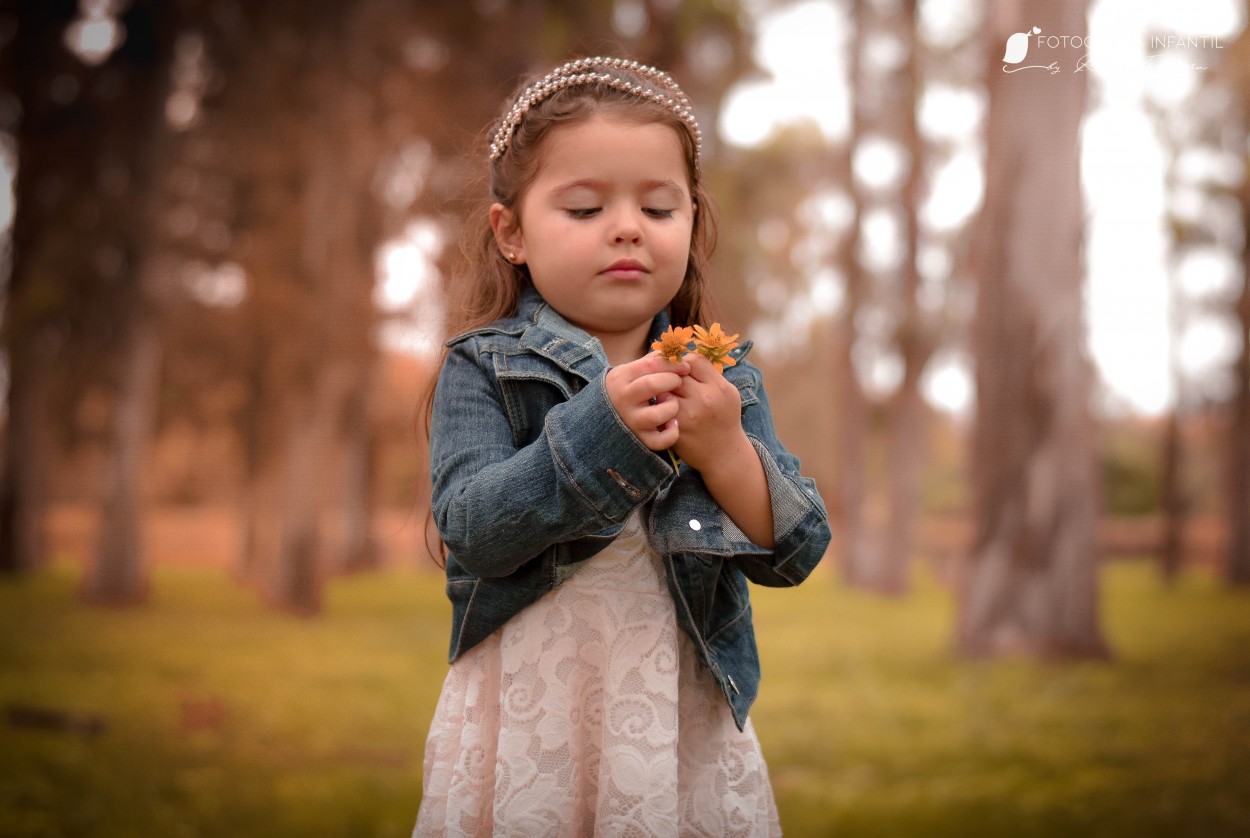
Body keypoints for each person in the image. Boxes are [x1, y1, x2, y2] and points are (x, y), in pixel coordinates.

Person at [414, 56, 831, 837]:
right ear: (512, 233)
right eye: (584, 208)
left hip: (676, 713)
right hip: (529, 710)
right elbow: (473, 529)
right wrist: (602, 429)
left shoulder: (720, 376)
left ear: (692, 225)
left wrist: (725, 448)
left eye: (659, 207)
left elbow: (796, 551)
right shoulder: (483, 365)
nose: (629, 227)